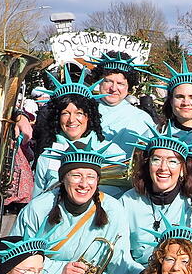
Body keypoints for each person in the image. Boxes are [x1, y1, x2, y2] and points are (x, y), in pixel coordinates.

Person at [12, 142, 129, 274]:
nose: (84, 184)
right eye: (76, 175)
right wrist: (59, 269)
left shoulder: (114, 210)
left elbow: (116, 268)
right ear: (63, 178)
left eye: (91, 177)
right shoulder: (37, 208)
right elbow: (15, 258)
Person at [117, 130, 192, 274]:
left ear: (183, 168)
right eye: (156, 160)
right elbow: (120, 254)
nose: (163, 167)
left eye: (172, 161)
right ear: (147, 165)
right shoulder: (127, 201)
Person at [30, 69, 124, 197]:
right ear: (57, 118)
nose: (71, 120)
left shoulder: (112, 153)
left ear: (88, 117)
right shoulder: (47, 156)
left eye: (79, 113)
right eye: (65, 113)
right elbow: (37, 201)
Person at [87, 51, 156, 155]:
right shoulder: (82, 109)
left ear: (128, 86)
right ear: (99, 82)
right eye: (108, 81)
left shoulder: (142, 119)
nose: (113, 88)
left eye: (120, 83)